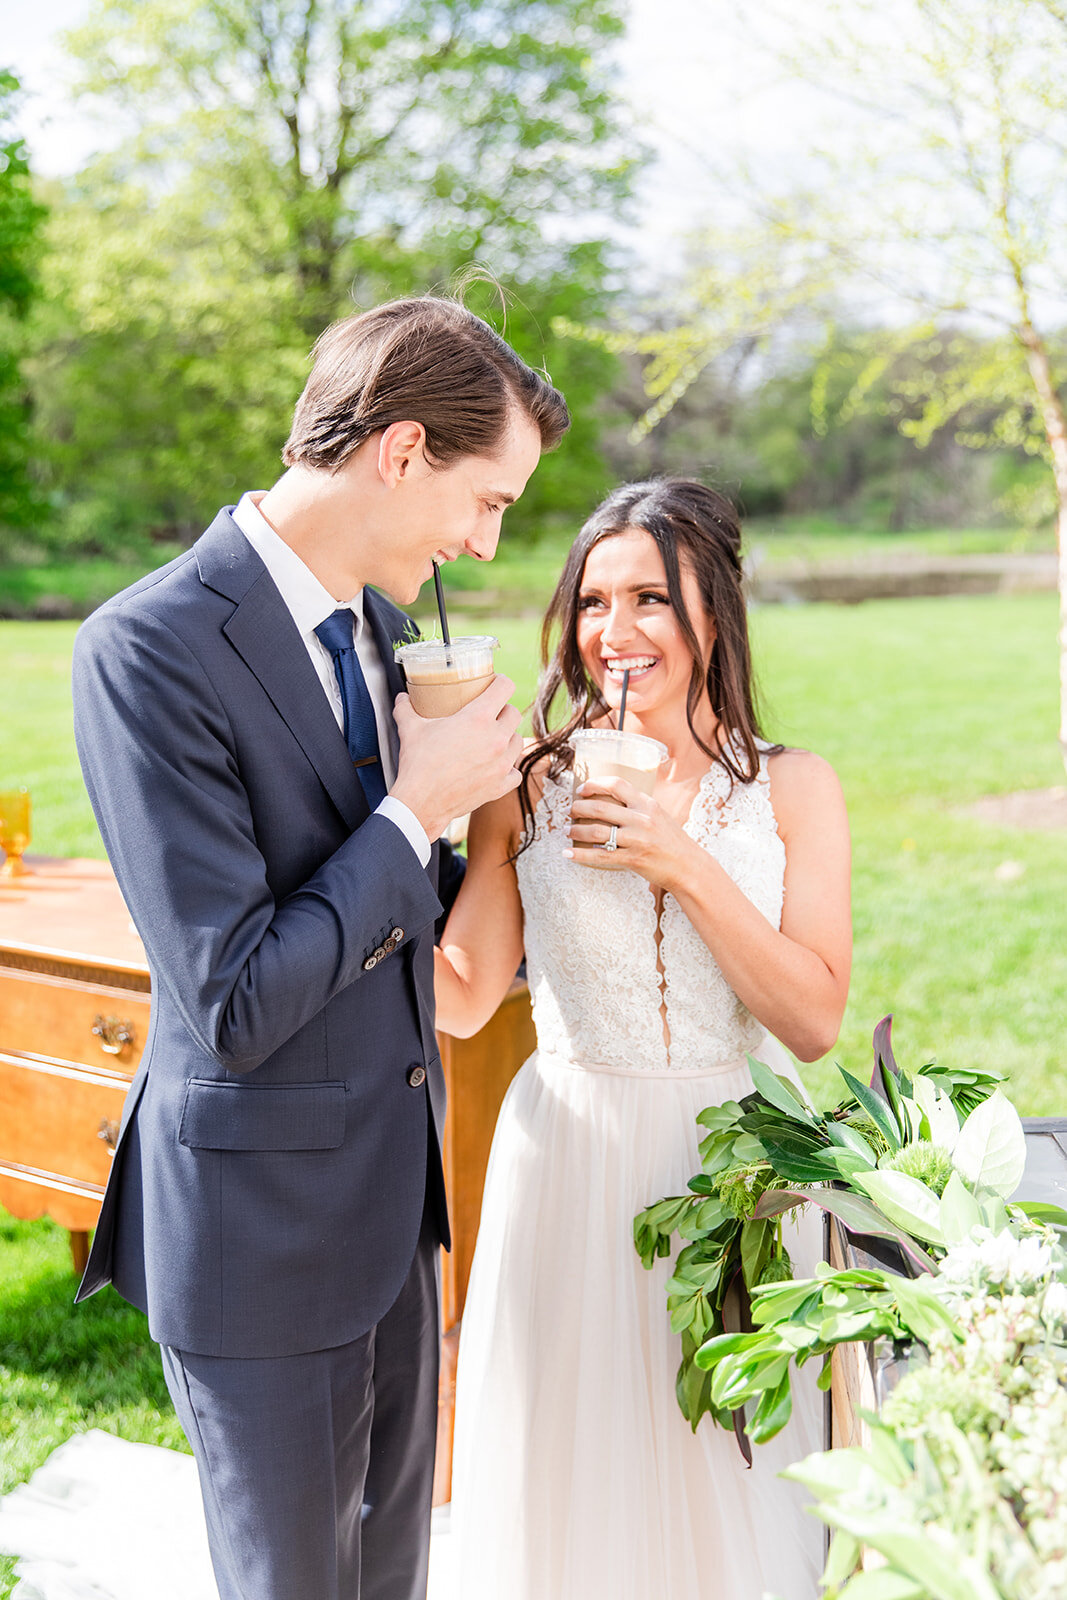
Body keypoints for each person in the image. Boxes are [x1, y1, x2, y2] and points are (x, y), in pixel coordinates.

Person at [70, 295, 569, 1600]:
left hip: (394, 1230)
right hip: (259, 1245)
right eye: (489, 500)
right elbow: (233, 996)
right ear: (400, 451)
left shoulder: (389, 635)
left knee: (391, 1580)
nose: (483, 538)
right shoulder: (145, 650)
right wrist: (417, 806)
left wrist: (513, 820)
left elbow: (415, 913)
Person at [434, 478, 852, 1600]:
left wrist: (680, 858)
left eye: (649, 600)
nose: (612, 633)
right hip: (564, 1154)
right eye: (591, 601)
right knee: (571, 1462)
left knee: (725, 1464)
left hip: (735, 1166)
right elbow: (464, 995)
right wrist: (392, 816)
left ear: (713, 610)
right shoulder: (526, 783)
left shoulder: (793, 790)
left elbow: (811, 1022)